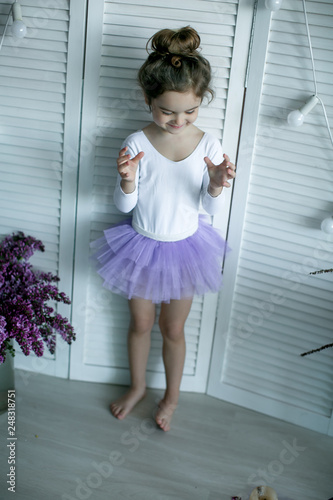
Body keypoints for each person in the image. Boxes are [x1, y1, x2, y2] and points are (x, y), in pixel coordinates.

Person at [92, 26, 236, 431]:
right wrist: (126, 180)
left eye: (189, 111)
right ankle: (137, 387)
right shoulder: (137, 140)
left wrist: (215, 184)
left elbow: (207, 208)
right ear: (148, 100)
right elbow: (126, 204)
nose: (178, 120)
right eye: (167, 111)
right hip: (140, 243)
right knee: (139, 323)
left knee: (173, 327)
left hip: (186, 247)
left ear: (199, 103)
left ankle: (171, 396)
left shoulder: (209, 144)